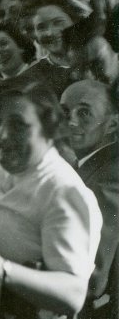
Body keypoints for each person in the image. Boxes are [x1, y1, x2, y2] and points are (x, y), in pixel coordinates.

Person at [0, 81, 101, 319]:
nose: (2, 135)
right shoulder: (0, 170)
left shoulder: (63, 193)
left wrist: (3, 268)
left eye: (18, 125)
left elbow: (73, 295)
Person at [60, 80, 119, 300]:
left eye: (84, 113)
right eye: (64, 112)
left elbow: (93, 279)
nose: (71, 122)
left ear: (112, 125)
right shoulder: (88, 163)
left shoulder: (110, 176)